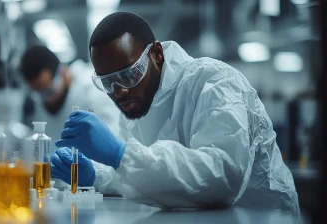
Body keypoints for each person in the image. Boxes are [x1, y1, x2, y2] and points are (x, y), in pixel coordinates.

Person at [50, 12, 299, 215]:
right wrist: (96, 176)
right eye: (108, 82)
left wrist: (120, 154)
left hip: (262, 216)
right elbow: (151, 178)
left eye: (128, 74)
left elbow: (221, 176)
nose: (120, 92)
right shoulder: (135, 106)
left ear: (157, 54)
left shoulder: (215, 83)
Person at [19, 46, 119, 149]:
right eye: (40, 93)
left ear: (63, 71)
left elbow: (111, 141)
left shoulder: (93, 92)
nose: (47, 99)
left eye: (49, 91)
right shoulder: (36, 102)